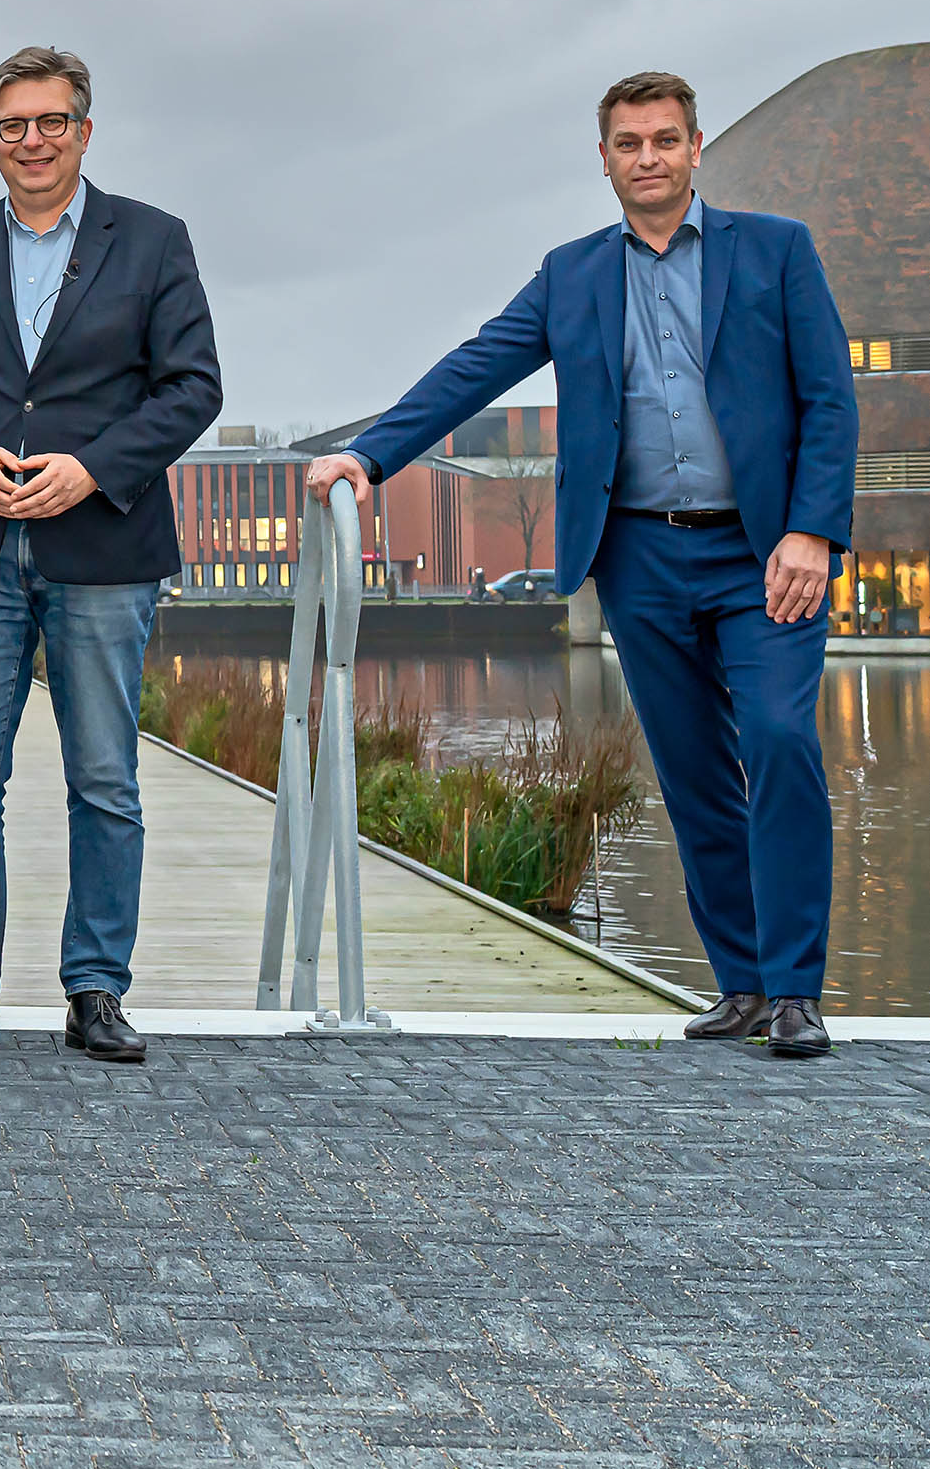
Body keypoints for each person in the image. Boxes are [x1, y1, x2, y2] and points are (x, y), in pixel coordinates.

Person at [307, 71, 856, 1059]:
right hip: (637, 554)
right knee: (690, 773)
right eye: (626, 143)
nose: (645, 157)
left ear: (694, 150)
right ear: (601, 159)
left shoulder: (774, 252)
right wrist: (369, 454)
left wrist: (810, 530)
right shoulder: (571, 275)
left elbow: (827, 397)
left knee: (777, 741)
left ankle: (794, 988)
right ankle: (738, 984)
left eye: (662, 139)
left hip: (761, 552)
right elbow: (476, 366)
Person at [0, 47, 222, 1064]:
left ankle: (94, 989)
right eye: (10, 126)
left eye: (50, 122)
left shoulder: (152, 241)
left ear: (84, 128)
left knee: (103, 780)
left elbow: (192, 387)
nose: (30, 141)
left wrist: (93, 468)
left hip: (104, 546)